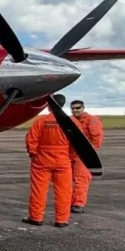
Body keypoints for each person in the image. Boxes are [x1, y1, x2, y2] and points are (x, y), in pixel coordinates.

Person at [23, 94, 79, 227]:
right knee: (64, 191)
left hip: (42, 160)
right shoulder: (72, 122)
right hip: (63, 160)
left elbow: (31, 139)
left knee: (38, 190)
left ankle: (36, 217)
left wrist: (33, 154)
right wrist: (70, 157)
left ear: (49, 105)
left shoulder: (41, 121)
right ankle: (62, 220)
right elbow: (77, 143)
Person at [69, 99, 104, 213]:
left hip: (83, 154)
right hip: (69, 153)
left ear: (83, 108)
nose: (75, 110)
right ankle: (69, 201)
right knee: (68, 179)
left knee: (81, 179)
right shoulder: (69, 120)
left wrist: (89, 152)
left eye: (78, 108)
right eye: (73, 108)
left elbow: (96, 138)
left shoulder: (92, 120)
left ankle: (78, 203)